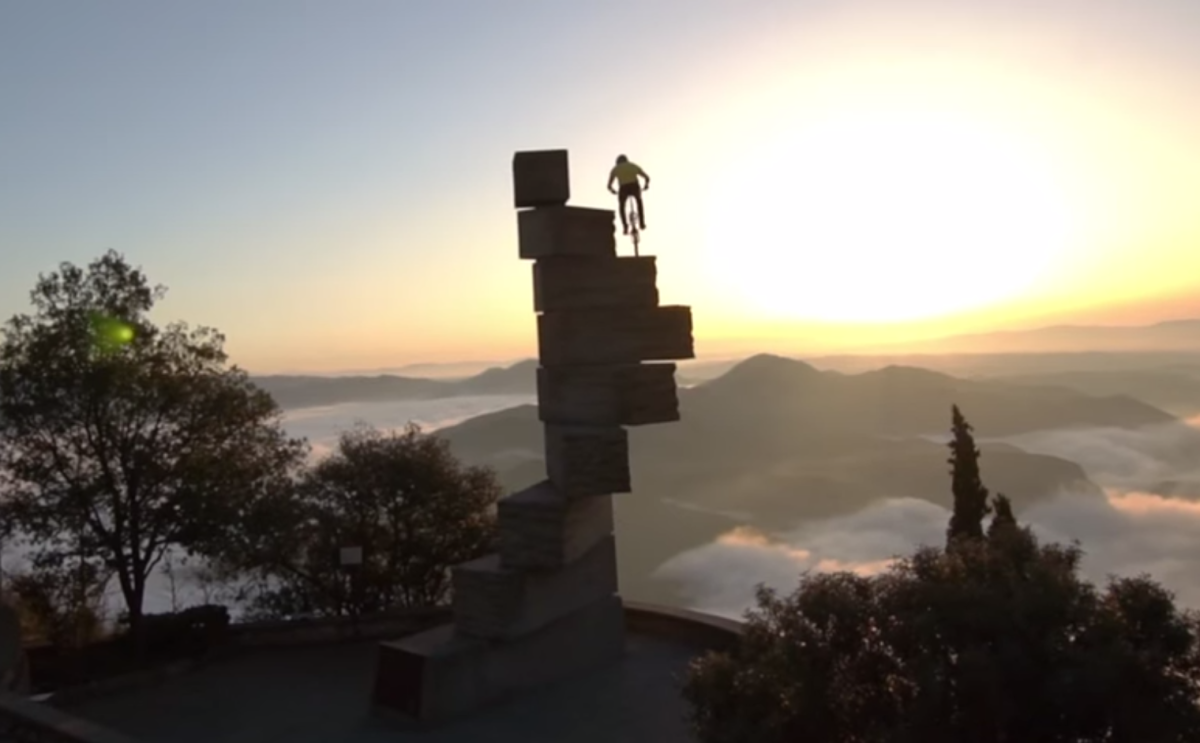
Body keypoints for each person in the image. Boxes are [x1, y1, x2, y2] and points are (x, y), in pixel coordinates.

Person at [607, 155, 650, 234]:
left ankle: (625, 227)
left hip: (623, 188)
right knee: (639, 202)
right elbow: (647, 177)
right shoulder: (632, 165)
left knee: (621, 206)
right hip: (634, 186)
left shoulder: (615, 169)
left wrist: (612, 190)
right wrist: (646, 185)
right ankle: (642, 223)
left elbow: (609, 185)